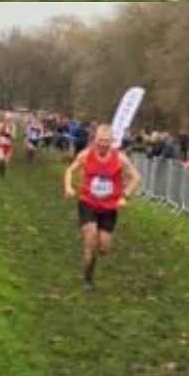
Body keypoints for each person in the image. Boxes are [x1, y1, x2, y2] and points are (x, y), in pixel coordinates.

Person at [62, 123, 142, 290]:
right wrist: (68, 187)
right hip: (88, 202)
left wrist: (125, 195)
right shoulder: (86, 154)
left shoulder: (120, 158)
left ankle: (95, 255)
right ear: (95, 139)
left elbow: (136, 177)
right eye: (100, 140)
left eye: (106, 141)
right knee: (90, 237)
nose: (103, 144)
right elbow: (70, 170)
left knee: (104, 248)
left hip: (109, 208)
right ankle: (87, 278)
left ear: (112, 141)